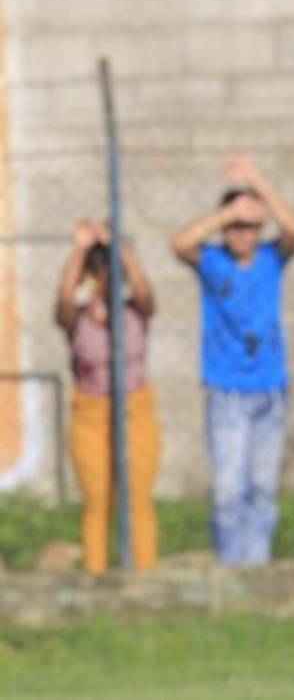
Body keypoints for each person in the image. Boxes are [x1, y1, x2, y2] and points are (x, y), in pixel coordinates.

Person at [170, 154, 294, 566]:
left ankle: (257, 567)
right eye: (233, 226)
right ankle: (231, 566)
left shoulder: (271, 258)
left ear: (259, 227)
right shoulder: (213, 261)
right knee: (229, 489)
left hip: (270, 391)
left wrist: (258, 186)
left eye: (247, 225)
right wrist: (228, 212)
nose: (240, 233)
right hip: (227, 392)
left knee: (262, 487)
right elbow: (180, 243)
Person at [56, 219, 159, 574]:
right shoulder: (78, 317)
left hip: (135, 406)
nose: (105, 279)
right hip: (91, 411)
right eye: (99, 271)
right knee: (97, 498)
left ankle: (144, 572)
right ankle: (95, 572)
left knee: (138, 496)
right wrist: (80, 250)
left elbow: (145, 291)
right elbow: (64, 299)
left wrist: (122, 249)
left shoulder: (135, 310)